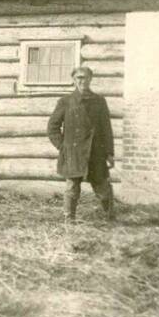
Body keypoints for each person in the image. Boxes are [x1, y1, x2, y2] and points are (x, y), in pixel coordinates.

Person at [46, 65, 116, 223]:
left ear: (91, 79)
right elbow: (52, 128)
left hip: (95, 153)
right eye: (79, 78)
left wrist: (110, 153)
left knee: (103, 188)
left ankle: (110, 218)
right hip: (73, 153)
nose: (82, 81)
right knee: (72, 188)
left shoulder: (99, 101)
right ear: (73, 80)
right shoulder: (66, 102)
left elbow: (106, 129)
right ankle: (69, 220)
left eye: (86, 77)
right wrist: (63, 147)